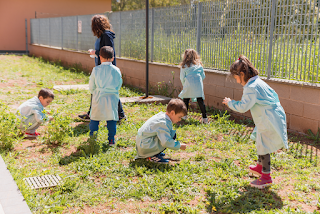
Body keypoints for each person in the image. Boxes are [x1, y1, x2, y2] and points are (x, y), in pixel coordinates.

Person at [222, 55, 288, 189]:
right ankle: (259, 167)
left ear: (241, 74)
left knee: (263, 145)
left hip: (268, 118)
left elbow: (243, 107)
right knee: (260, 140)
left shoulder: (251, 88)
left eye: (236, 78)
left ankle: (266, 177)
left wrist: (230, 103)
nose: (237, 81)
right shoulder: (256, 82)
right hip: (269, 116)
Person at [78, 14, 126, 122]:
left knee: (108, 89)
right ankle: (93, 113)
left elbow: (108, 51)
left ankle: (119, 115)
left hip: (107, 68)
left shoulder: (106, 35)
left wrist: (96, 52)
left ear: (96, 25)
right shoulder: (102, 36)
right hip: (101, 66)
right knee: (99, 89)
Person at [135, 99, 188, 164]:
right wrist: (179, 145)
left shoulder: (162, 117)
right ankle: (151, 156)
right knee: (170, 135)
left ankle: (154, 153)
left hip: (143, 145)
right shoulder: (164, 123)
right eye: (179, 117)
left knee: (171, 134)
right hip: (145, 147)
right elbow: (166, 141)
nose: (180, 119)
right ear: (172, 113)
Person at [89, 46, 122, 146]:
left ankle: (93, 137)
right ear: (113, 58)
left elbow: (91, 84)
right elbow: (119, 83)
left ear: (100, 57)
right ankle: (111, 139)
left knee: (95, 117)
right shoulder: (116, 70)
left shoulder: (96, 69)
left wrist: (94, 91)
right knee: (111, 118)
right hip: (112, 97)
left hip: (99, 96)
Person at [178, 49, 208, 124]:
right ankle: (205, 119)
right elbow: (203, 76)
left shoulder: (184, 66)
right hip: (198, 85)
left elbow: (182, 77)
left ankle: (184, 116)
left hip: (188, 84)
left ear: (185, 56)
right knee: (200, 101)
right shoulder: (199, 65)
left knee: (186, 100)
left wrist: (185, 84)